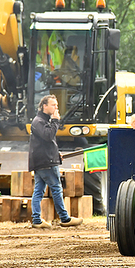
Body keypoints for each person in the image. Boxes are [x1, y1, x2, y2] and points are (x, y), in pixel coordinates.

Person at [28, 95, 83, 228]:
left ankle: (36, 220)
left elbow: (46, 143)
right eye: (53, 105)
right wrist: (56, 121)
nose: (56, 108)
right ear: (44, 106)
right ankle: (64, 218)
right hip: (46, 162)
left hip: (43, 160)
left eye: (57, 105)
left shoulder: (42, 120)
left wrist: (56, 154)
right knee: (56, 188)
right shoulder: (39, 121)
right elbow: (48, 136)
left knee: (39, 190)